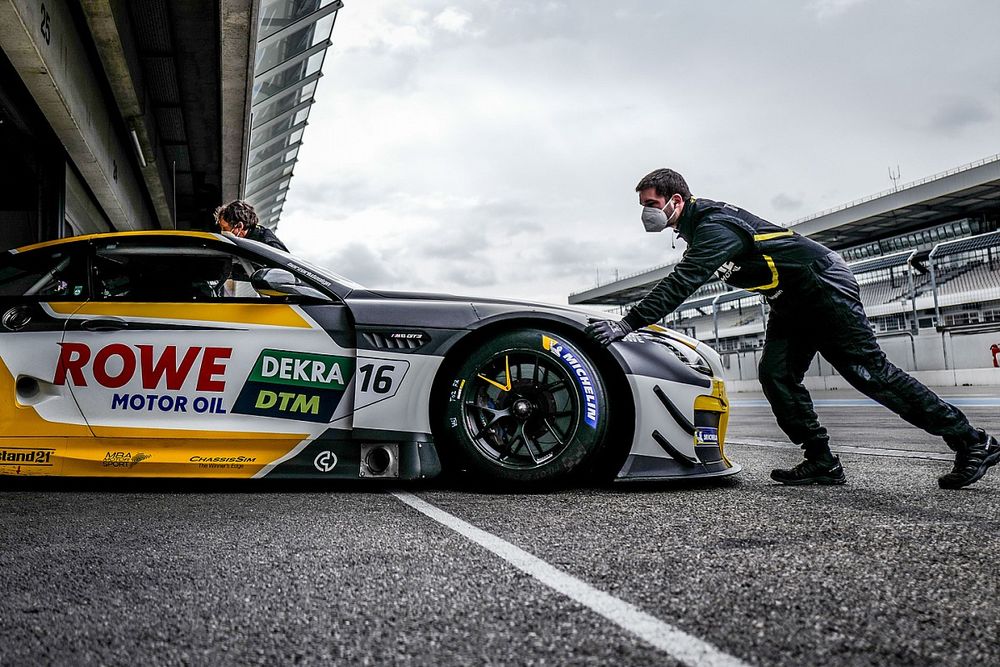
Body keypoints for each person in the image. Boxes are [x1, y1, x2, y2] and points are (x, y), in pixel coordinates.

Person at [586, 168, 998, 489]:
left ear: (676, 200)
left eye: (651, 202)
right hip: (790, 298)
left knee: (871, 374)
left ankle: (971, 441)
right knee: (777, 374)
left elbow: (683, 281)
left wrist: (627, 323)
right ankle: (821, 459)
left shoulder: (713, 225)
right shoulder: (694, 229)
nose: (646, 211)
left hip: (821, 285)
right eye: (642, 204)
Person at [214, 199, 289, 252]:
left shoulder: (268, 244)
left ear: (240, 226)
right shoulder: (239, 241)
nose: (222, 232)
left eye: (225, 228)